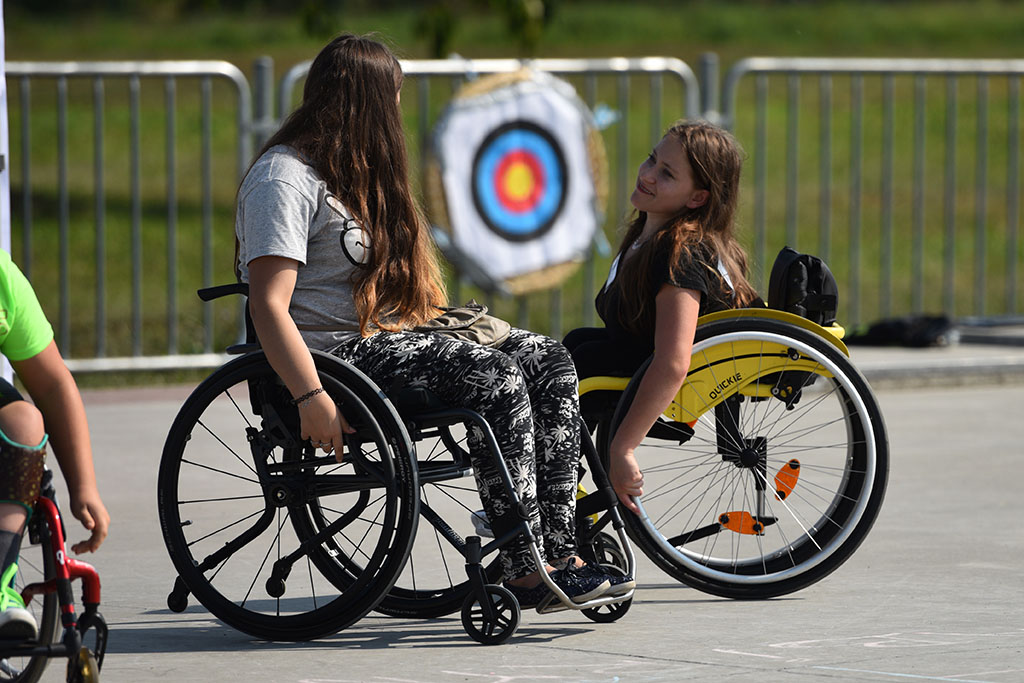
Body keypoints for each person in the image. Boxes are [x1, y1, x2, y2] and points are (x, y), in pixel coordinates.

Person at [234, 33, 628, 611]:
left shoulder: (355, 173)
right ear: (364, 102)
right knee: (494, 378)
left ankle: (558, 550)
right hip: (336, 361)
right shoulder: (283, 179)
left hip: (387, 338)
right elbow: (267, 305)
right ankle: (523, 565)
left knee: (549, 361)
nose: (397, 111)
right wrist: (310, 394)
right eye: (391, 97)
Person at [564, 120, 761, 514]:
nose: (648, 174)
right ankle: (551, 484)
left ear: (697, 198)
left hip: (672, 373)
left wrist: (623, 448)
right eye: (652, 159)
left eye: (667, 173)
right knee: (573, 346)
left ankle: (548, 492)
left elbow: (672, 361)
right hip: (638, 354)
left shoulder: (681, 254)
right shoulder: (648, 236)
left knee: (579, 360)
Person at [0, 249, 110, 640]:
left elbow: (52, 384)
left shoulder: (2, 278)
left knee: (25, 419)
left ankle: (0, 581)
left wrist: (84, 487)